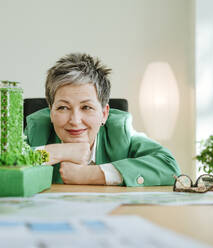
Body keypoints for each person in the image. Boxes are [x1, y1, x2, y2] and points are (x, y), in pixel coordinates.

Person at [25, 53, 180, 186]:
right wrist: (56, 152)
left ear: (104, 114)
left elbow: (169, 166)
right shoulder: (37, 128)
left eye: (86, 107)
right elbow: (3, 163)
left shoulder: (121, 131)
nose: (75, 120)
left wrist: (91, 174)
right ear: (50, 112)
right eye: (63, 108)